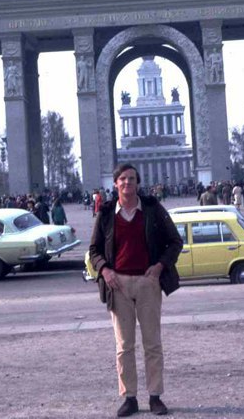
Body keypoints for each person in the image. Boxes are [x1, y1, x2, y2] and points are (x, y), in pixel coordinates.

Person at [88, 163, 183, 417]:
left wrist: (161, 266)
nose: (127, 183)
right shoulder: (107, 213)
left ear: (137, 183)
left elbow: (175, 241)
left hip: (147, 282)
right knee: (124, 345)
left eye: (131, 179)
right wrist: (105, 270)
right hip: (117, 284)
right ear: (115, 184)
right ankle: (129, 397)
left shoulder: (152, 209)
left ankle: (155, 397)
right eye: (123, 179)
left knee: (153, 343)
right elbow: (94, 250)